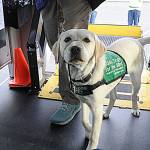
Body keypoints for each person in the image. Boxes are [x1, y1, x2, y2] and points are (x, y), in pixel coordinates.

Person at [36, 0, 105, 125]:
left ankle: (72, 100)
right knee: (59, 49)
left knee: (76, 48)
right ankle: (76, 94)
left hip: (76, 2)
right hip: (48, 3)